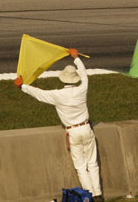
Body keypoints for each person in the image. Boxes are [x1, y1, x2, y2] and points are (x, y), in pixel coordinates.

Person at [14, 48, 104, 202]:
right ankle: (98, 194)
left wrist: (22, 86)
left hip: (73, 132)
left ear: (63, 79)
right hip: (86, 128)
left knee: (81, 167)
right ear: (74, 79)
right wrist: (76, 57)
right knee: (92, 163)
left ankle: (88, 196)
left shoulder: (57, 95)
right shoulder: (82, 89)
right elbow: (84, 74)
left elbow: (39, 94)